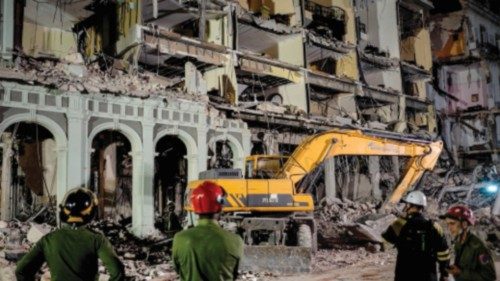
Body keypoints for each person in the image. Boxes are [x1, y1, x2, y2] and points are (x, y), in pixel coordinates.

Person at [16, 188, 125, 281]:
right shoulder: (96, 239)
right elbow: (117, 273)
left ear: (63, 211)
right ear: (91, 213)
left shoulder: (48, 240)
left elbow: (21, 271)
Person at [172, 181, 244, 281]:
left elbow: (178, 270)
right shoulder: (236, 241)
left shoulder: (179, 239)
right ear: (220, 207)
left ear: (195, 206)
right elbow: (234, 274)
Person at [382, 190, 451, 281]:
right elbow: (444, 254)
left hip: (404, 275)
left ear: (408, 205)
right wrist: (444, 274)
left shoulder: (399, 224)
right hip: (428, 276)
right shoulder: (434, 226)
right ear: (422, 207)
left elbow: (386, 244)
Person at [440, 205, 496, 281]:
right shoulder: (459, 241)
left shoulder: (478, 246)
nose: (449, 228)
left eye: (452, 223)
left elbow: (490, 276)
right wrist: (456, 269)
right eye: (448, 224)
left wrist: (460, 272)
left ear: (464, 224)